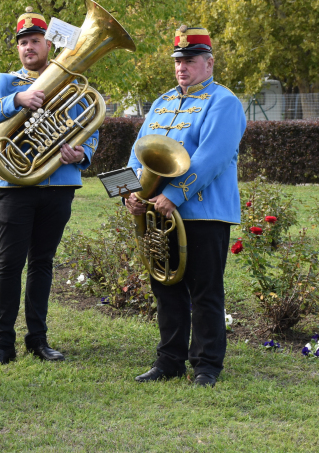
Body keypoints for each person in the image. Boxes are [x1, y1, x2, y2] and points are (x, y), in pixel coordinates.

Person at [0, 7, 99, 365]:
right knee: (9, 264)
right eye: (23, 42)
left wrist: (82, 153)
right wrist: (16, 100)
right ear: (18, 48)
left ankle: (38, 340)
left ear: (48, 44)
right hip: (16, 185)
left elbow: (91, 124)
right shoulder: (4, 82)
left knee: (42, 263)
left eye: (36, 41)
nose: (29, 47)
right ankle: (2, 345)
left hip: (59, 184)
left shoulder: (72, 82)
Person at [125, 25, 246, 388]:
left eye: (190, 60)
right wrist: (132, 192)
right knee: (165, 289)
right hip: (155, 211)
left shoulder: (224, 102)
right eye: (178, 60)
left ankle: (207, 366)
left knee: (205, 290)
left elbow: (213, 157)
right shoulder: (162, 102)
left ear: (209, 64)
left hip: (204, 212)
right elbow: (138, 152)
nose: (182, 67)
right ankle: (170, 360)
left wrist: (174, 195)